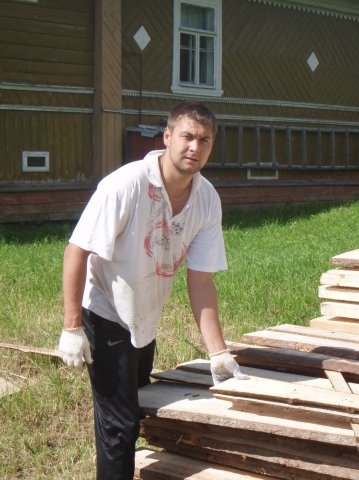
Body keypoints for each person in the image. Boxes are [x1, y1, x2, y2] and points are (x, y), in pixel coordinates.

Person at [58, 101, 248, 480]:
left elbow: (201, 281)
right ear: (167, 137)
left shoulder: (206, 199)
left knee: (141, 405)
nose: (195, 147)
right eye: (187, 136)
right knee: (118, 427)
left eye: (205, 140)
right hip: (105, 313)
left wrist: (219, 353)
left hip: (145, 319)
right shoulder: (126, 185)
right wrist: (72, 326)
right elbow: (76, 251)